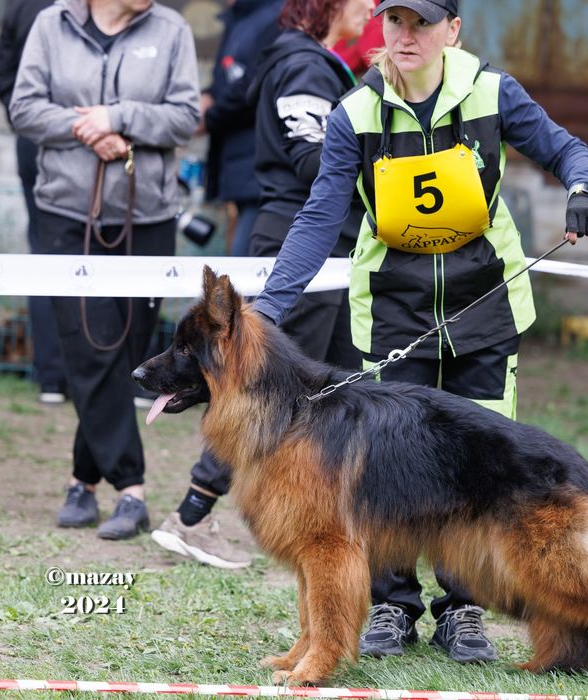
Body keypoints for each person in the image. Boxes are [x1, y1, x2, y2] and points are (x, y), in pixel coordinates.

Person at [252, 0, 588, 664]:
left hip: (485, 310)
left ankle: (461, 611)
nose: (404, 36)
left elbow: (566, 148)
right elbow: (319, 217)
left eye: (421, 23)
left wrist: (582, 186)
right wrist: (269, 306)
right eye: (394, 22)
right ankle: (391, 604)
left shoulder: (492, 92)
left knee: (477, 468)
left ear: (452, 30)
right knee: (385, 471)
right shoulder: (355, 113)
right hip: (392, 314)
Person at [149, 0, 373, 570]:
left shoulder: (310, 61)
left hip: (325, 249)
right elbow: (310, 160)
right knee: (258, 393)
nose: (374, 7)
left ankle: (351, 519)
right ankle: (192, 516)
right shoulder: (304, 66)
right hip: (301, 246)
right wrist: (381, 160)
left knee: (344, 388)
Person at [9, 0, 200, 539]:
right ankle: (131, 488)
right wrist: (85, 128)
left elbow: (185, 115)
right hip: (67, 212)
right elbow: (24, 109)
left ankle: (81, 480)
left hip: (149, 216)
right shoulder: (51, 24)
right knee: (88, 345)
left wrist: (119, 118)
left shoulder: (172, 29)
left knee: (127, 356)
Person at [0, 0, 66, 405]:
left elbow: (4, 75)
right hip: (81, 147)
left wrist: (25, 119)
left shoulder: (18, 6)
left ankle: (51, 376)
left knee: (44, 252)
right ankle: (72, 375)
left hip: (34, 141)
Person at [201, 0, 283, 257]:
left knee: (247, 281)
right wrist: (208, 97)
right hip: (239, 173)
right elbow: (223, 82)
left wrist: (208, 116)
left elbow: (252, 88)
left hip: (263, 175)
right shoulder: (239, 17)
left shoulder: (276, 15)